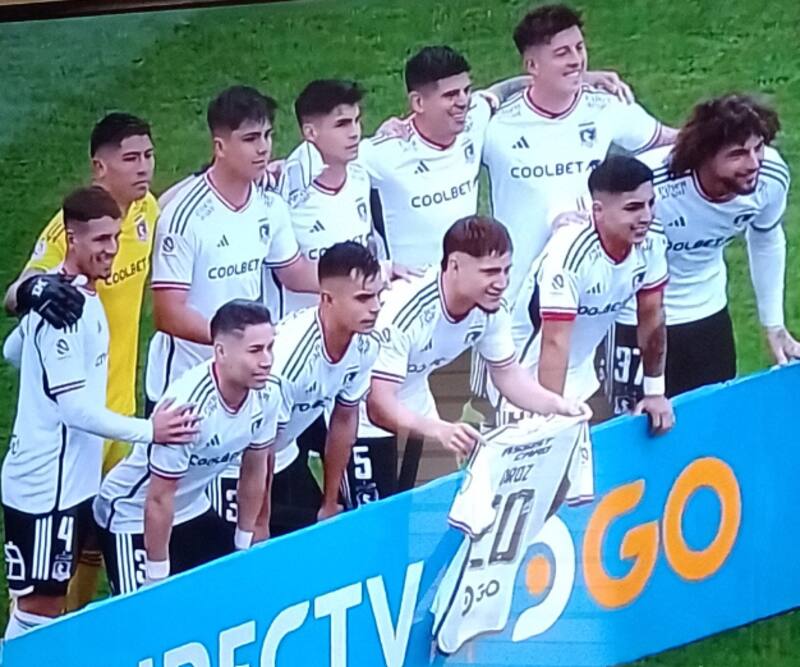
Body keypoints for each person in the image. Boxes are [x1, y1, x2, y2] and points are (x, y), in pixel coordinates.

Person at [1, 186, 197, 637]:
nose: (111, 250)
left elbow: (13, 350)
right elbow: (74, 409)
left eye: (115, 238)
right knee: (39, 610)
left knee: (46, 605)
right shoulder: (63, 310)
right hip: (46, 486)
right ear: (72, 239)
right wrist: (150, 430)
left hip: (63, 480)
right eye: (99, 241)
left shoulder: (67, 295)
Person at [3, 113, 159, 608]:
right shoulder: (71, 230)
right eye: (130, 159)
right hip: (80, 423)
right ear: (100, 167)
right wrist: (35, 288)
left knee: (93, 535)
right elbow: (20, 294)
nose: (143, 169)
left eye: (148, 156)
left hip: (116, 410)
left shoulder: (144, 211)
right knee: (53, 561)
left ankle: (76, 624)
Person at [352, 216, 587, 504]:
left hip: (417, 409)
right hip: (359, 416)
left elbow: (508, 375)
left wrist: (557, 405)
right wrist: (438, 429)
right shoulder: (405, 315)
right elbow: (378, 404)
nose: (501, 283)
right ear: (454, 266)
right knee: (370, 527)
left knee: (428, 513)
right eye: (489, 272)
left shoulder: (491, 310)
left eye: (506, 270)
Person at [606, 94, 798, 410]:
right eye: (738, 154)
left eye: (758, 148)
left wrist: (773, 324)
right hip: (632, 318)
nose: (753, 163)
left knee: (710, 427)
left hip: (707, 315)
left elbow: (766, 237)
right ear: (703, 156)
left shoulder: (770, 177)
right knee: (635, 431)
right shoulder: (649, 186)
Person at [144, 85, 318, 411]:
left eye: (267, 136)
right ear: (220, 147)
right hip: (185, 385)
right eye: (251, 139)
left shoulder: (269, 205)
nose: (264, 148)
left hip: (243, 377)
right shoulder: (184, 216)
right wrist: (232, 343)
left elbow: (293, 272)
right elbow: (168, 313)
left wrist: (357, 281)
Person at [93, 300, 280, 594]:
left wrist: (245, 541)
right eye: (255, 351)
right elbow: (158, 499)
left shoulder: (268, 394)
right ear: (220, 351)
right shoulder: (188, 410)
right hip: (133, 514)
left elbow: (255, 469)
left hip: (191, 506)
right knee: (145, 621)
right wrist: (156, 575)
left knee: (231, 593)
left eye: (270, 347)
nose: (267, 360)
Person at [210, 243, 381, 535]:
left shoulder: (367, 345)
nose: (375, 307)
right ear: (327, 299)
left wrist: (329, 503)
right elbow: (259, 447)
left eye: (378, 295)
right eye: (363, 298)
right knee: (239, 560)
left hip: (282, 452)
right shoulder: (289, 361)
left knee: (313, 538)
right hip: (231, 462)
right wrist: (259, 523)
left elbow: (343, 420)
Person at [500, 156, 674, 432]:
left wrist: (654, 391)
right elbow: (554, 341)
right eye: (633, 208)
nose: (646, 216)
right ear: (598, 210)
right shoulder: (568, 254)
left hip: (583, 379)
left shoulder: (652, 242)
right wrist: (551, 418)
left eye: (650, 203)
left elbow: (652, 319)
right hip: (527, 387)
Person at [275, 79, 376, 316]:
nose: (354, 133)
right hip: (303, 329)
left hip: (355, 325)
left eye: (356, 121)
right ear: (311, 132)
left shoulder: (361, 178)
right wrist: (371, 276)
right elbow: (293, 275)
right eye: (342, 124)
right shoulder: (285, 193)